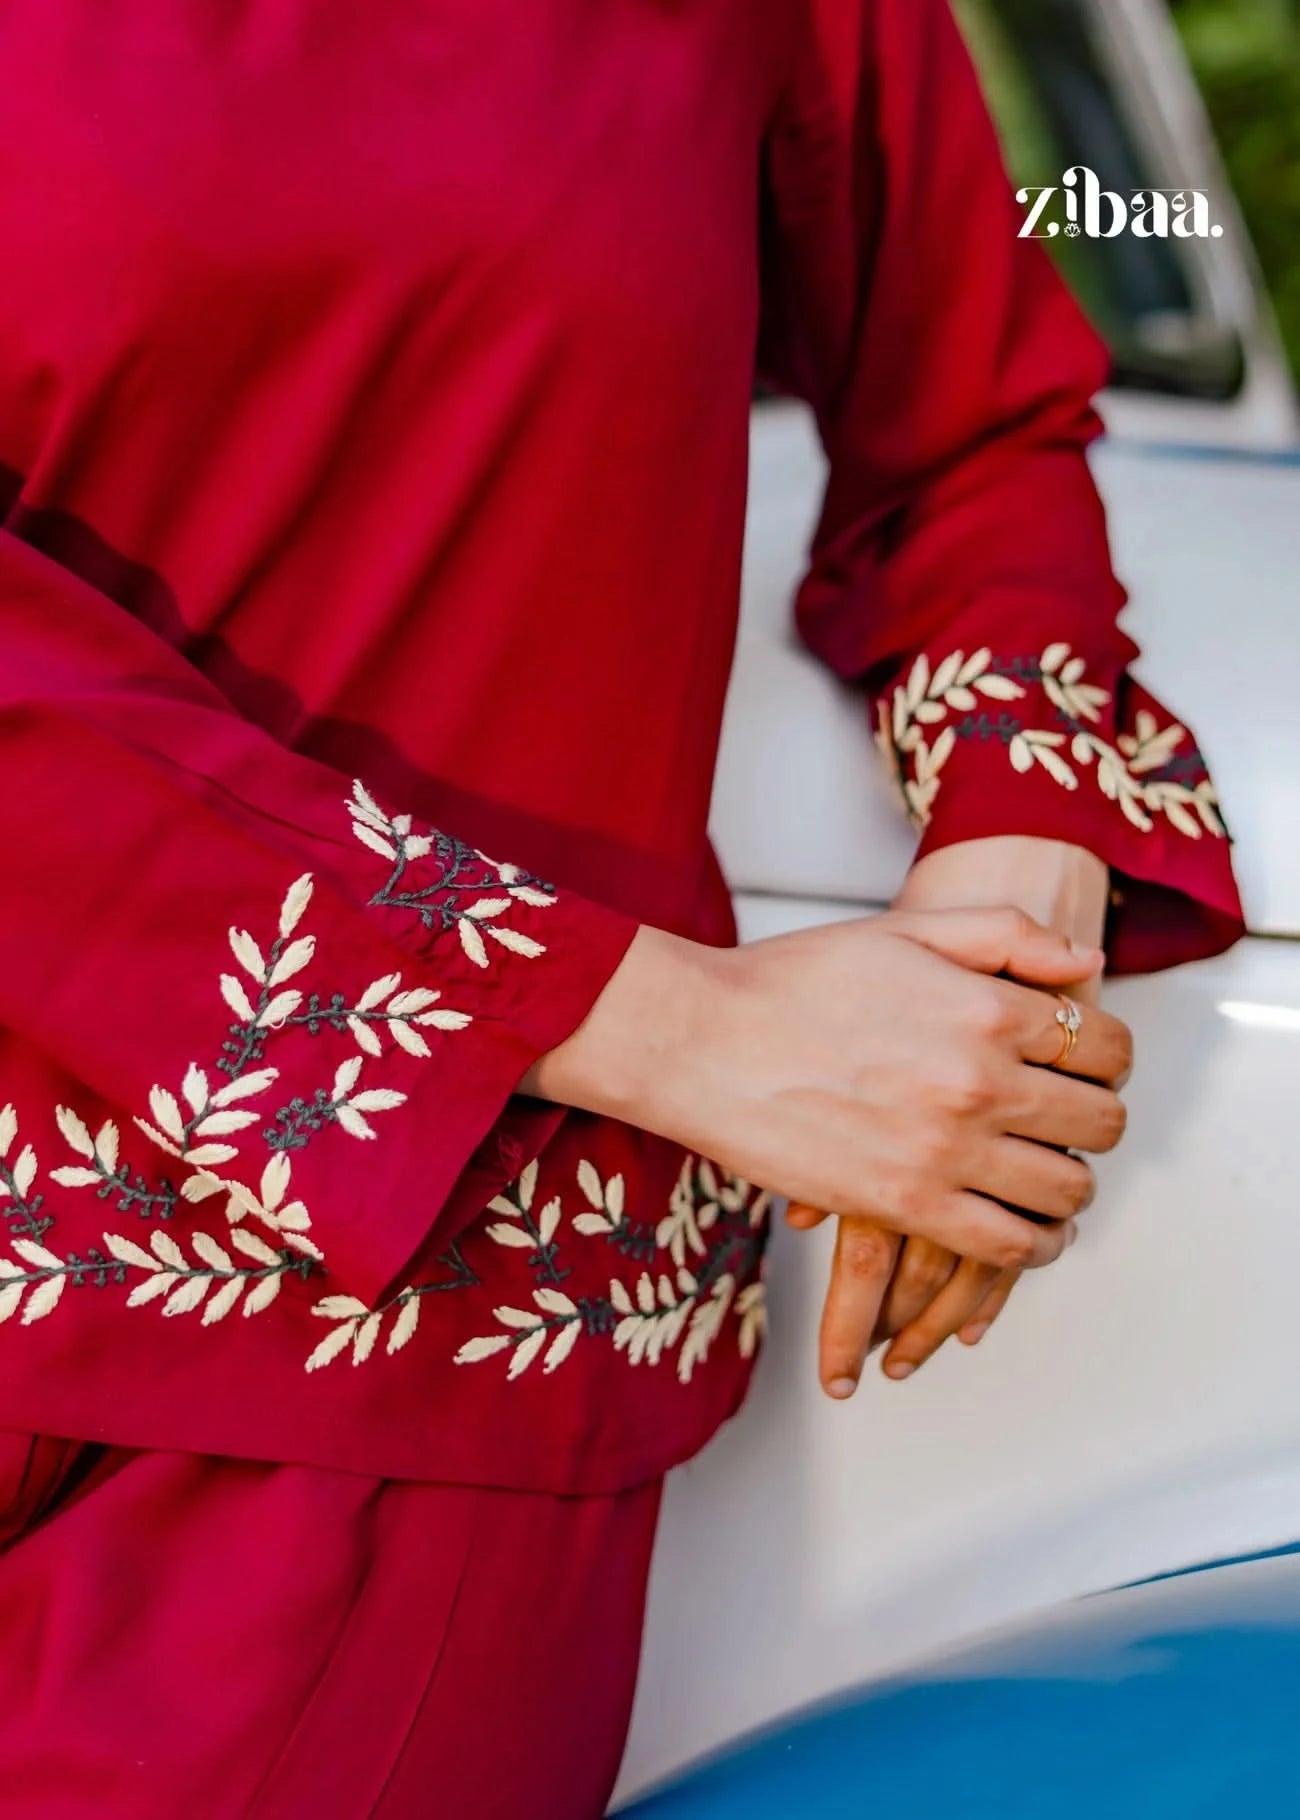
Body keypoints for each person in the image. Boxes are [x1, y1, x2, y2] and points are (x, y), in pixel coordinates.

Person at [0, 1, 1243, 1814]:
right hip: (574, 1076)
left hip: (403, 1369)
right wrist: (676, 1024)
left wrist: (1007, 913)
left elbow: (973, 432)